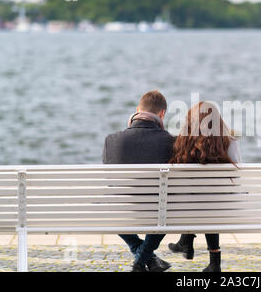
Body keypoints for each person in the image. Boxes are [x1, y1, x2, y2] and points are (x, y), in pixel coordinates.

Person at [102, 90, 174, 272]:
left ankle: (141, 256)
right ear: (162, 114)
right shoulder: (171, 141)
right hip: (158, 212)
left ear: (137, 110)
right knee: (167, 208)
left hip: (120, 212)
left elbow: (110, 182)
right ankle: (140, 262)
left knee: (111, 203)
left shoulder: (111, 140)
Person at [167, 101, 242, 272]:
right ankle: (214, 261)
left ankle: (186, 241)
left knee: (197, 197)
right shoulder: (230, 141)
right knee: (211, 199)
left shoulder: (182, 143)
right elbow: (238, 174)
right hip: (226, 208)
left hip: (188, 208)